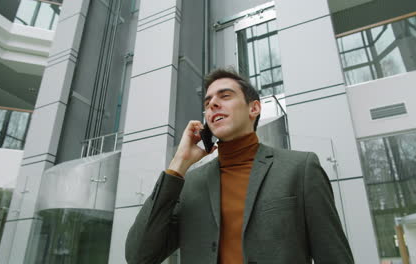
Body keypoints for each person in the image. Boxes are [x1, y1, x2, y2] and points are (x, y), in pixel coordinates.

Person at [125, 68, 354, 264]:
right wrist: (178, 164)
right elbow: (139, 256)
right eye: (208, 102)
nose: (213, 103)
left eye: (225, 96)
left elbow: (334, 257)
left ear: (254, 108)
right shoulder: (190, 184)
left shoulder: (300, 168)